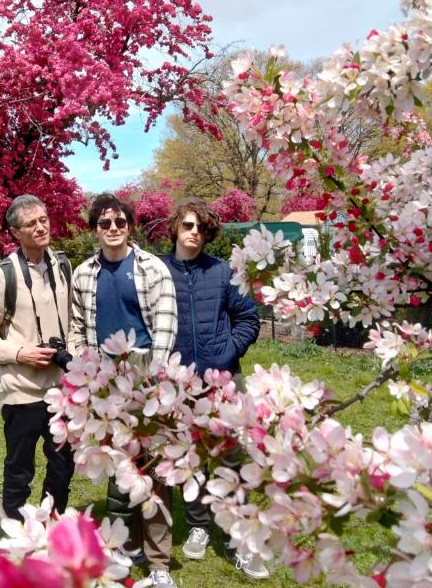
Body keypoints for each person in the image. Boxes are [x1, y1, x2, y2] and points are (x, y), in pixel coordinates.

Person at [69, 193, 178, 588]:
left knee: (153, 469)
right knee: (118, 466)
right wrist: (87, 373)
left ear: (130, 226)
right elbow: (78, 327)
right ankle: (123, 548)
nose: (112, 229)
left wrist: (154, 381)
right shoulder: (84, 274)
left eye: (119, 222)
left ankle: (159, 560)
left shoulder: (152, 269)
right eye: (104, 223)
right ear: (95, 229)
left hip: (148, 376)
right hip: (102, 379)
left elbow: (165, 330)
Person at [161, 197, 268, 579]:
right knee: (191, 458)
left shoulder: (223, 272)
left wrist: (228, 350)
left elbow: (248, 318)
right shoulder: (158, 272)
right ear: (176, 227)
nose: (194, 233)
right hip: (179, 384)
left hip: (224, 381)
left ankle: (238, 538)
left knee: (230, 458)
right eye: (188, 225)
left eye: (202, 229)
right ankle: (198, 527)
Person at [0, 195, 74, 521]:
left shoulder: (65, 266)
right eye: (32, 223)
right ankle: (15, 529)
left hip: (62, 388)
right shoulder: (2, 276)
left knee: (64, 463)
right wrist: (19, 353)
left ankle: (50, 523)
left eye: (43, 219)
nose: (41, 227)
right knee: (20, 468)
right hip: (22, 389)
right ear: (16, 232)